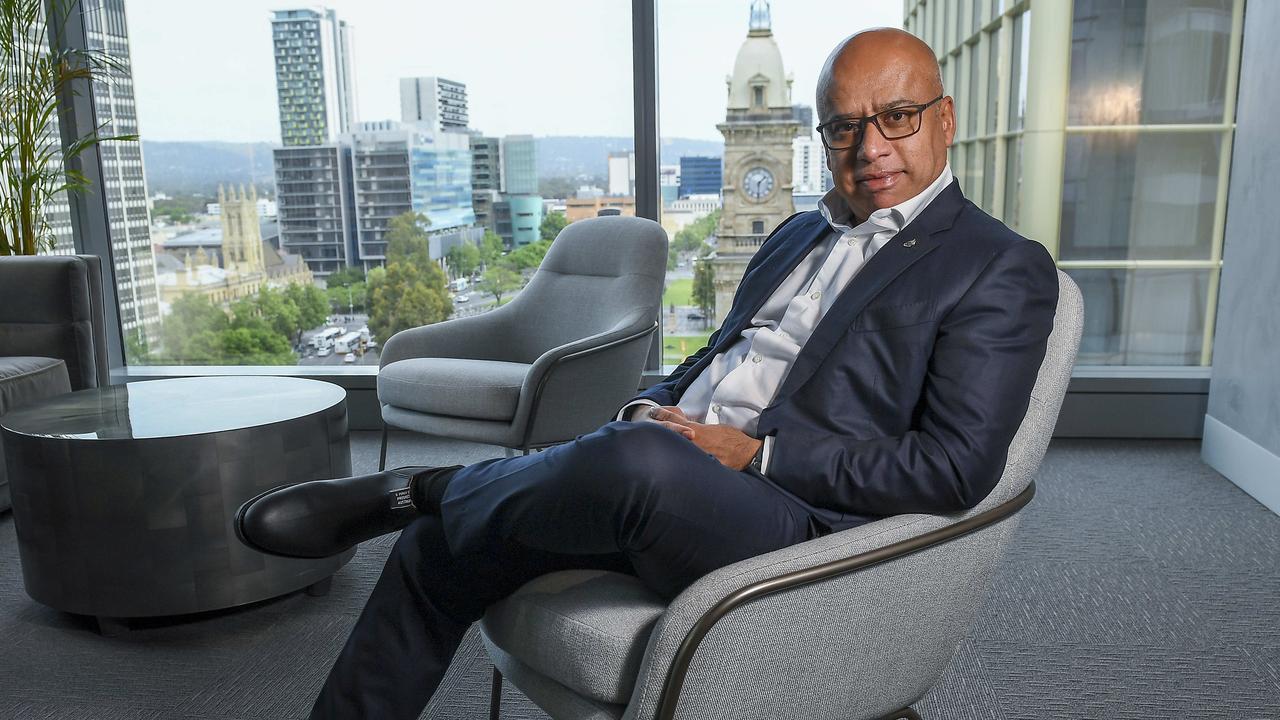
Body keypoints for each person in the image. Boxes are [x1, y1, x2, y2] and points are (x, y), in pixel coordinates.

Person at [236, 27, 1058, 719]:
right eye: (844, 126)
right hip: (672, 471)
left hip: (793, 516)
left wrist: (754, 455)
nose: (870, 146)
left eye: (898, 117)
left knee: (633, 463)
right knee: (432, 552)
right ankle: (430, 510)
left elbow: (957, 467)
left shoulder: (997, 267)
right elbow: (715, 361)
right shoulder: (795, 235)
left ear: (944, 120)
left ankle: (420, 485)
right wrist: (649, 407)